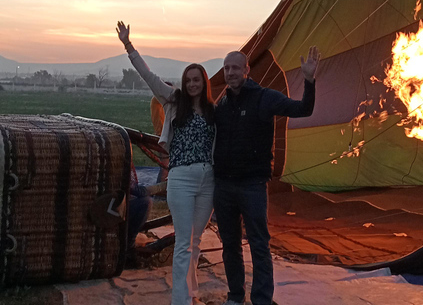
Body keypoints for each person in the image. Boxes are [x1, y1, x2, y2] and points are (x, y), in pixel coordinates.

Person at [117, 21, 215, 305]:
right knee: (184, 241)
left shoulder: (213, 111)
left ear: (204, 83)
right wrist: (128, 46)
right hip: (181, 178)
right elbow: (148, 76)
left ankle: (191, 292)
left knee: (195, 241)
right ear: (184, 83)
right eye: (190, 79)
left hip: (208, 180)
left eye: (198, 79)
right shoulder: (173, 100)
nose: (193, 84)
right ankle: (180, 300)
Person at [214, 48, 319, 305]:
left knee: (259, 244)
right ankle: (235, 296)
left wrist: (309, 80)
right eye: (226, 68)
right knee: (230, 245)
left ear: (247, 70)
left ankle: (261, 299)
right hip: (225, 184)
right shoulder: (222, 104)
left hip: (252, 185)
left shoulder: (265, 98)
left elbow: (303, 109)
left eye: (235, 68)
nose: (230, 73)